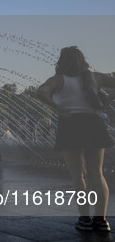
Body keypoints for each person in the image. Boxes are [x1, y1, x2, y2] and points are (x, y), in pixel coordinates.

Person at [37, 46, 115, 231]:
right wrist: (108, 99)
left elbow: (40, 92)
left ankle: (84, 219)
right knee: (97, 174)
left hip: (70, 124)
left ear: (61, 62)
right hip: (94, 123)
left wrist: (56, 106)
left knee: (79, 176)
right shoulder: (97, 77)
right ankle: (101, 220)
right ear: (83, 60)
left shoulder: (58, 80)